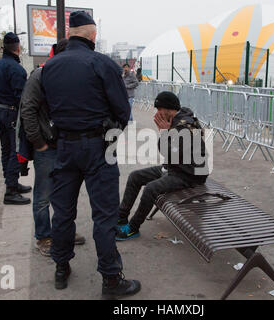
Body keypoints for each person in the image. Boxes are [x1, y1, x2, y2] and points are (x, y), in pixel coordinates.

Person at [41, 11, 141, 297]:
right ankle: (111, 280)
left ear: (70, 34)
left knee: (62, 212)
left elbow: (46, 107)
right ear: (92, 35)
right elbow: (123, 109)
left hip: (64, 147)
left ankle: (61, 267)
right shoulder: (102, 63)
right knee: (105, 215)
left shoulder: (50, 67)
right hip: (98, 147)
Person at [20, 39, 86, 257]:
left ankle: (64, 231)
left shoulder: (69, 77)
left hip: (67, 144)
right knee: (43, 195)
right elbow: (27, 110)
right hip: (47, 147)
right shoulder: (40, 76)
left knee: (65, 193)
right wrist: (39, 143)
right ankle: (44, 236)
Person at [116, 91, 209, 241]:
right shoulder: (176, 120)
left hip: (190, 175)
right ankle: (121, 217)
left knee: (151, 189)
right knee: (135, 177)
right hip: (175, 167)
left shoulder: (184, 126)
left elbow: (170, 152)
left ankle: (133, 228)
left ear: (169, 108)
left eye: (159, 109)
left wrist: (165, 133)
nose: (157, 113)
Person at [0, 32, 31, 205]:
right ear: (18, 48)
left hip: (0, 111)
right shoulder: (17, 69)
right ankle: (11, 190)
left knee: (6, 149)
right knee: (15, 150)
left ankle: (11, 182)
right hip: (13, 113)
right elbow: (22, 98)